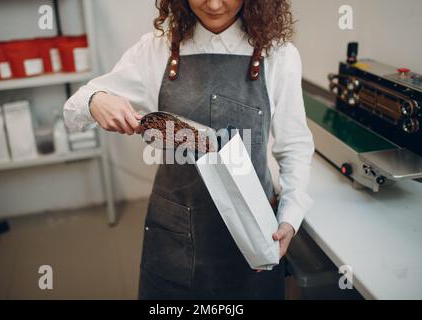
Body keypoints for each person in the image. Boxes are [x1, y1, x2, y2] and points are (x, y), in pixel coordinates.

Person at [64, 0, 314, 299]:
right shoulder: (157, 50)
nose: (213, 4)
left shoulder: (279, 54)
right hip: (174, 233)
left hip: (252, 231)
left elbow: (295, 145)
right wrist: (96, 100)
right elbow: (74, 108)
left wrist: (290, 215)